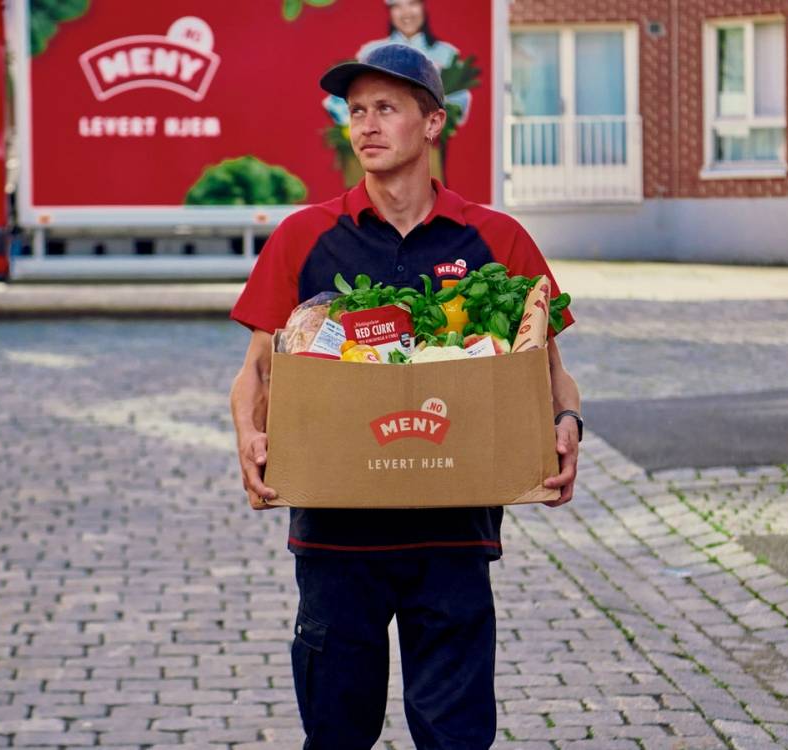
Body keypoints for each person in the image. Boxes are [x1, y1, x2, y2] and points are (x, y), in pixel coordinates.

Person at [229, 43, 583, 750]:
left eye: (386, 108)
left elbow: (548, 370)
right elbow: (258, 372)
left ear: (432, 123)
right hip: (335, 538)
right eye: (355, 111)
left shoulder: (496, 240)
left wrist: (567, 420)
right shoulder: (306, 237)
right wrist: (250, 435)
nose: (365, 125)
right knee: (336, 735)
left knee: (455, 738)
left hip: (454, 535)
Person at [323, 0, 472, 135]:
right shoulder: (370, 51)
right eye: (397, 6)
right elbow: (338, 101)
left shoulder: (447, 53)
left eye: (412, 3)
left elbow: (460, 102)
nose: (406, 12)